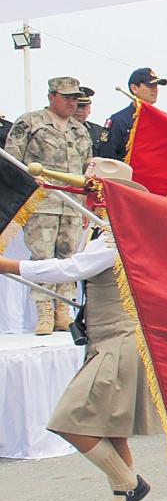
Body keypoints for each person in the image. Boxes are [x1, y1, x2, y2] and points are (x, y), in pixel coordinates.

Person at [0, 159, 157, 501]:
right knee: (111, 432)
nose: (88, 197)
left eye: (93, 190)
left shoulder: (118, 235)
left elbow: (68, 269)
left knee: (71, 421)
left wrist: (8, 265)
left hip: (119, 341)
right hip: (104, 338)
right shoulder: (101, 230)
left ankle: (129, 485)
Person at [4, 76, 91, 335]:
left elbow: (87, 169)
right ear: (52, 96)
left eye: (75, 98)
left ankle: (63, 309)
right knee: (42, 257)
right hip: (42, 203)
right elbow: (11, 160)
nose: (72, 103)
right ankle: (44, 310)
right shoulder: (30, 123)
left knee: (68, 257)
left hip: (72, 205)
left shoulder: (80, 130)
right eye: (67, 98)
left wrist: (87, 204)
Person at [96, 68, 165, 160]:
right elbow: (106, 156)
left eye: (156, 86)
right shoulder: (119, 120)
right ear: (134, 88)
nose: (155, 90)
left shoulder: (160, 122)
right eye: (151, 85)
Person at [72, 87, 104, 155]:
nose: (79, 110)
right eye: (77, 106)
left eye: (83, 106)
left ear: (89, 110)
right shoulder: (59, 129)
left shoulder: (98, 131)